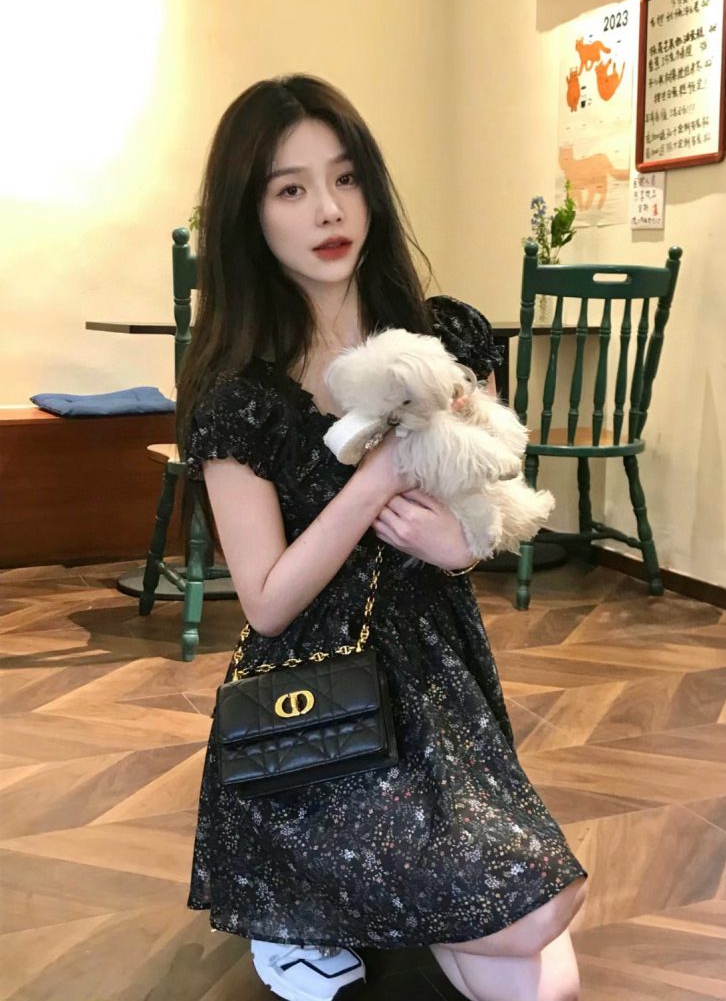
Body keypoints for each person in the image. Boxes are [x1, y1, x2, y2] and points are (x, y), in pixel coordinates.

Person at [177, 74, 587, 1001]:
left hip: (439, 669)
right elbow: (267, 602)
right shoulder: (240, 396)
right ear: (251, 215)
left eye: (346, 178)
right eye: (291, 189)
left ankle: (341, 910)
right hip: (315, 705)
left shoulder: (444, 339)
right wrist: (375, 481)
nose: (329, 209)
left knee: (547, 976)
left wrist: (464, 548)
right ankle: (301, 898)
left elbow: (495, 483)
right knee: (533, 922)